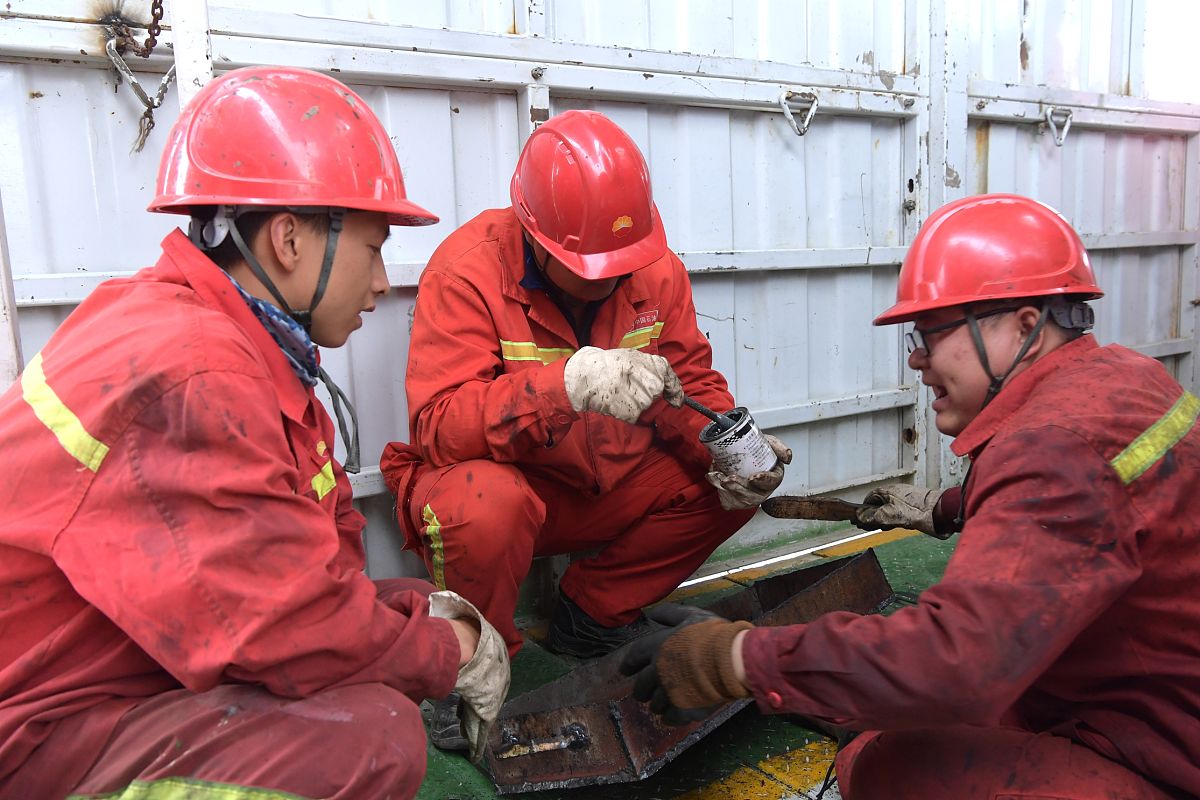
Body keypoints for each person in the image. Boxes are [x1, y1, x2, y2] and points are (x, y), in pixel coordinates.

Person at [0, 66, 508, 799]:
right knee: (375, 741)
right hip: (31, 732)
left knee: (394, 609)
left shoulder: (212, 341)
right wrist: (449, 651)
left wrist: (415, 615)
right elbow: (291, 628)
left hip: (98, 668)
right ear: (289, 240)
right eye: (372, 247)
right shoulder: (199, 375)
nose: (382, 283)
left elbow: (310, 565)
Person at [620, 194, 1200, 800]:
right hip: (1144, 701)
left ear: (1024, 326)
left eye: (931, 332)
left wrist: (733, 660)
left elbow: (958, 664)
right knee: (883, 716)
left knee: (887, 767)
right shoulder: (1124, 379)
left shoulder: (1050, 446)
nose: (918, 358)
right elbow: (1096, 513)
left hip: (1160, 757)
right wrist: (950, 507)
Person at [380, 109, 789, 674]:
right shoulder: (466, 273)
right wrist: (564, 387)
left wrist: (730, 447)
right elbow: (438, 428)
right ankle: (474, 663)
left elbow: (688, 381)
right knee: (479, 503)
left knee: (726, 478)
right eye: (593, 266)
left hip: (612, 486)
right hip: (520, 496)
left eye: (622, 264)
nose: (612, 278)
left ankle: (594, 613)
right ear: (536, 237)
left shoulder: (650, 266)